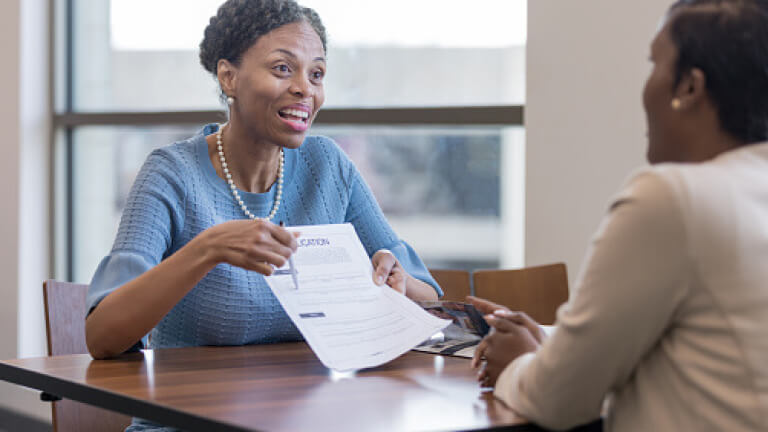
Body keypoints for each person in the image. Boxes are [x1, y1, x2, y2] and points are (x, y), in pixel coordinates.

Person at [85, 0, 441, 362]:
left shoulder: (328, 165)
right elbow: (102, 336)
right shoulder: (173, 173)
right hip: (192, 411)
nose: (305, 88)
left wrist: (397, 280)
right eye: (283, 68)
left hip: (313, 414)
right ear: (229, 77)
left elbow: (431, 300)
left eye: (316, 74)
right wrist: (208, 249)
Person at [470, 0, 768, 430]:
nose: (644, 87)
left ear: (689, 87)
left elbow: (556, 400)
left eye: (654, 65)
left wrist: (518, 363)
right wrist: (553, 340)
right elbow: (703, 340)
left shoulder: (672, 197)